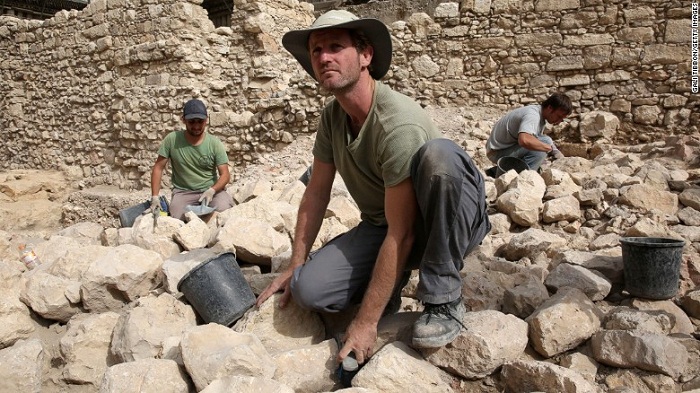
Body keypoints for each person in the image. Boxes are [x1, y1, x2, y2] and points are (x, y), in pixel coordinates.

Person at [255, 10, 491, 365]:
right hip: (387, 224)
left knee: (440, 157)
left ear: (366, 56)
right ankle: (389, 286)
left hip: (445, 221)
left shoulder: (397, 123)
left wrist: (367, 323)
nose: (323, 57)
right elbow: (317, 192)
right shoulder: (332, 118)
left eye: (336, 46)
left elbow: (404, 231)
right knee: (309, 288)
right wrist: (295, 263)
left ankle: (443, 295)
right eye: (316, 50)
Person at [149, 99, 234, 220]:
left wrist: (212, 190)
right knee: (177, 216)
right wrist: (155, 197)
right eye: (191, 122)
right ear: (183, 120)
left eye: (200, 122)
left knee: (226, 209)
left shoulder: (214, 143)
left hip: (211, 191)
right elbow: (158, 168)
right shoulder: (172, 140)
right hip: (183, 193)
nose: (196, 126)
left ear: (206, 120)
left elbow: (225, 174)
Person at [484, 93, 572, 175]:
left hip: (502, 149)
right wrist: (549, 149)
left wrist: (554, 150)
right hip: (496, 152)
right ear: (550, 108)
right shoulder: (533, 115)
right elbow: (524, 140)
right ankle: (525, 178)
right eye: (559, 116)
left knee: (545, 141)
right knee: (543, 145)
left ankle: (498, 171)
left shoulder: (539, 115)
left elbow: (534, 139)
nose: (559, 121)